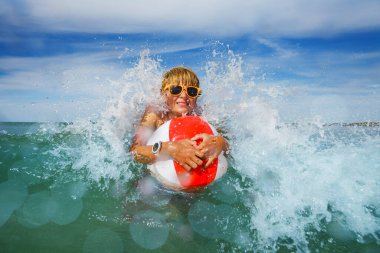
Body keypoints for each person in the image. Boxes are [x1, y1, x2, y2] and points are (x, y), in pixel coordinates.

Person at [130, 66, 229, 172]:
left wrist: (220, 142)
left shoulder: (203, 115)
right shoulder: (156, 114)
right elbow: (135, 151)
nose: (184, 95)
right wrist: (168, 148)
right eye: (175, 89)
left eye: (191, 91)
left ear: (196, 97)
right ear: (164, 94)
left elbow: (230, 145)